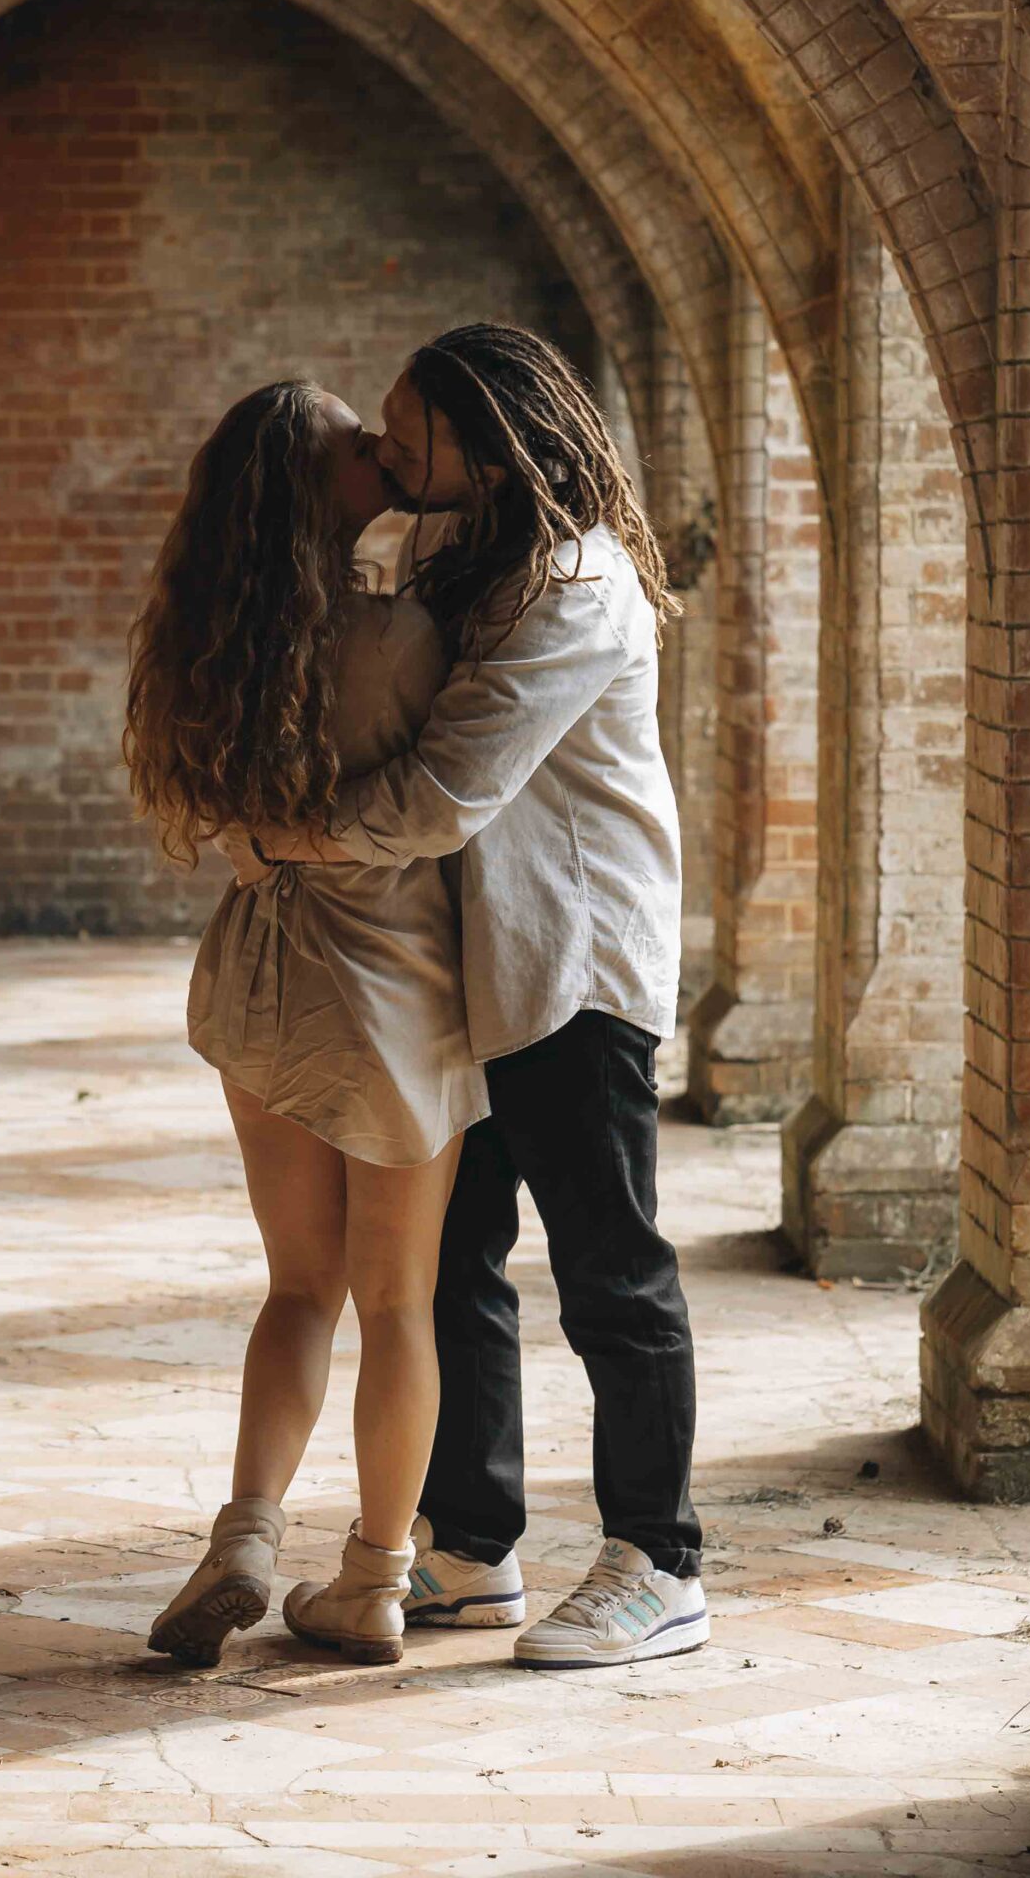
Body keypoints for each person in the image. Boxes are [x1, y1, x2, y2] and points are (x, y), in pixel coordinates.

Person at [246, 324, 705, 1669]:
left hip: (572, 968)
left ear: (486, 441)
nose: (385, 450)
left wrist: (282, 839)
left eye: (407, 430)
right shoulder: (459, 548)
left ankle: (659, 1559)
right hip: (460, 970)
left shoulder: (577, 583)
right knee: (452, 1267)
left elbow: (444, 794)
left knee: (610, 1272)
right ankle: (471, 1546)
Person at [125, 381, 487, 1668]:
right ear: (312, 487)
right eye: (351, 447)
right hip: (392, 987)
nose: (375, 454)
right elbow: (456, 800)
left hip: (261, 975)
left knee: (295, 1287)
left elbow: (226, 827)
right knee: (398, 1300)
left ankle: (241, 1537)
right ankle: (377, 1581)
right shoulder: (399, 639)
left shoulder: (205, 646)